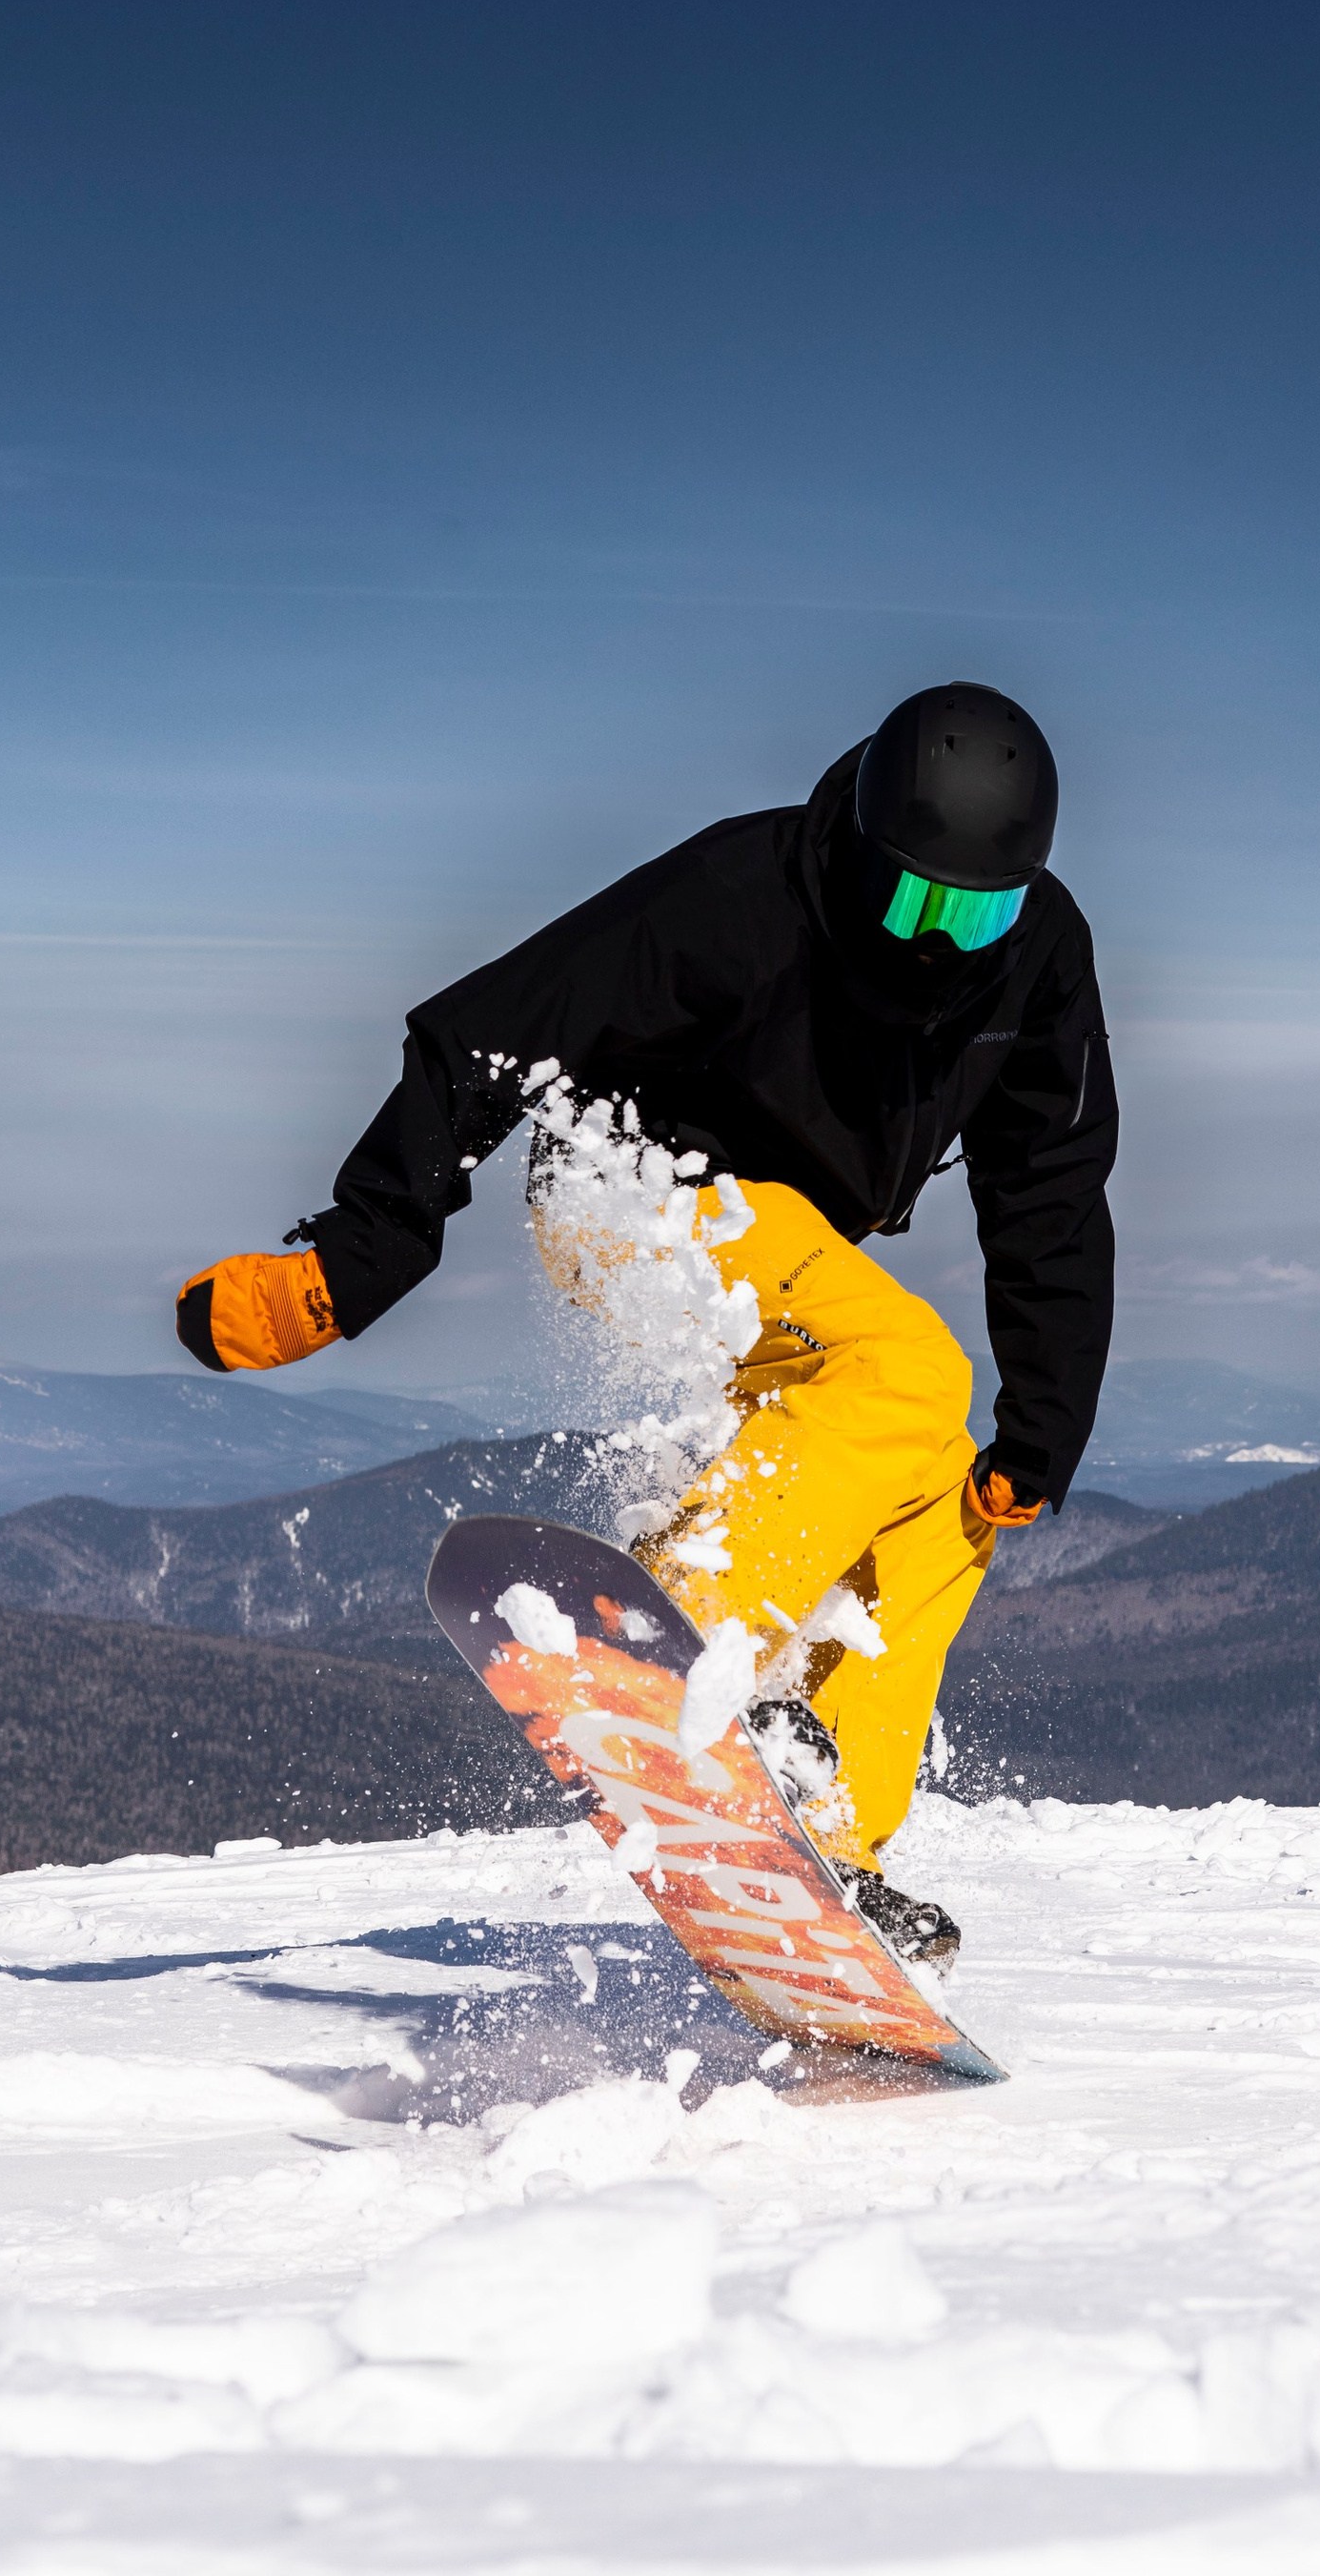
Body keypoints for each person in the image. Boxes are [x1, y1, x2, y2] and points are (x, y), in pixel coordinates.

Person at [174, 681, 1116, 1964]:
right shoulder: (744, 896)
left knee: (949, 1498)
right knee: (910, 1367)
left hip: (781, 1243)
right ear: (857, 848)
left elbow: (1051, 1185)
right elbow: (489, 1037)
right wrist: (358, 1257)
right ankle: (676, 1635)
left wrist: (1044, 1428)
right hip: (632, 1190)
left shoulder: (1040, 959)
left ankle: (831, 1840)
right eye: (913, 901)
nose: (941, 943)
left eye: (979, 910)